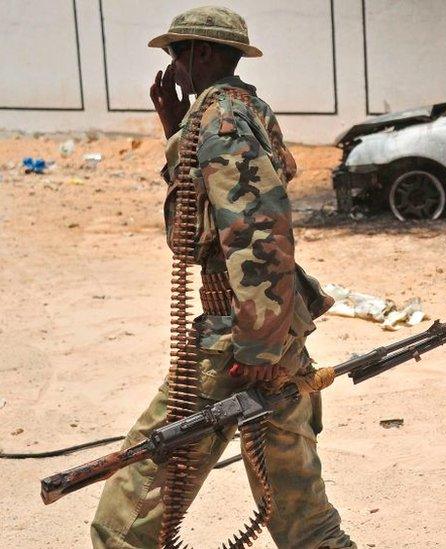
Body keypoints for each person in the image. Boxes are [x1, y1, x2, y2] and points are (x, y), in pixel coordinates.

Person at [90, 7, 357, 548]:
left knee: (126, 518)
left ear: (202, 53)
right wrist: (174, 131)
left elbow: (259, 231)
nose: (173, 71)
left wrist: (257, 347)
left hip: (237, 335)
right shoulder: (237, 112)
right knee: (301, 513)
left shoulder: (221, 123)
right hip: (265, 330)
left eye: (176, 55)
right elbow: (204, 208)